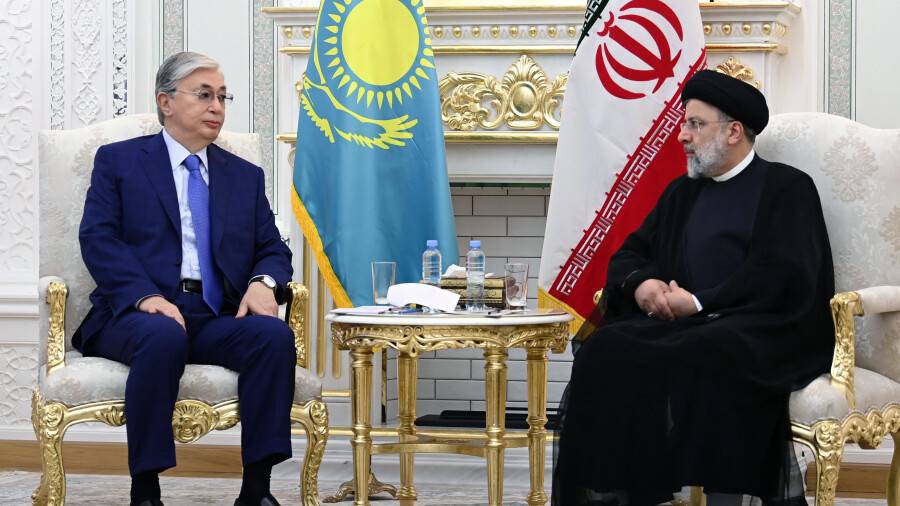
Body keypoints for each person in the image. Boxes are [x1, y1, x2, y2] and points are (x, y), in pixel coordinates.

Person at [552, 70, 835, 506]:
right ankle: (623, 494)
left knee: (713, 349)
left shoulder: (787, 188)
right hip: (683, 324)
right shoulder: (682, 192)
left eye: (695, 124)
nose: (682, 136)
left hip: (759, 327)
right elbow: (630, 254)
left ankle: (726, 495)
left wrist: (700, 302)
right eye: (684, 124)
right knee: (605, 348)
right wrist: (642, 284)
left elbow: (784, 275)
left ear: (734, 131)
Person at [74, 52, 296, 506]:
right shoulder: (120, 162)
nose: (217, 106)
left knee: (273, 337)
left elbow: (273, 248)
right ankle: (146, 491)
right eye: (204, 95)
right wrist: (143, 296)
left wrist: (263, 282)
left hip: (214, 315)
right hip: (136, 314)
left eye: (222, 97)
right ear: (166, 102)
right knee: (162, 335)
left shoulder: (244, 176)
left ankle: (257, 490)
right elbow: (98, 238)